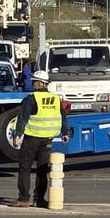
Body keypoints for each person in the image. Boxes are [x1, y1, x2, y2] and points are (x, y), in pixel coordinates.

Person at [10, 77, 68, 208]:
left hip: (32, 138)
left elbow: (23, 118)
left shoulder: (31, 98)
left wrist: (18, 134)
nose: (32, 84)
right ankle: (39, 199)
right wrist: (65, 132)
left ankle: (23, 199)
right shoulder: (55, 98)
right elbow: (62, 116)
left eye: (35, 81)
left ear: (41, 83)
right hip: (47, 139)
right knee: (42, 169)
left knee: (25, 167)